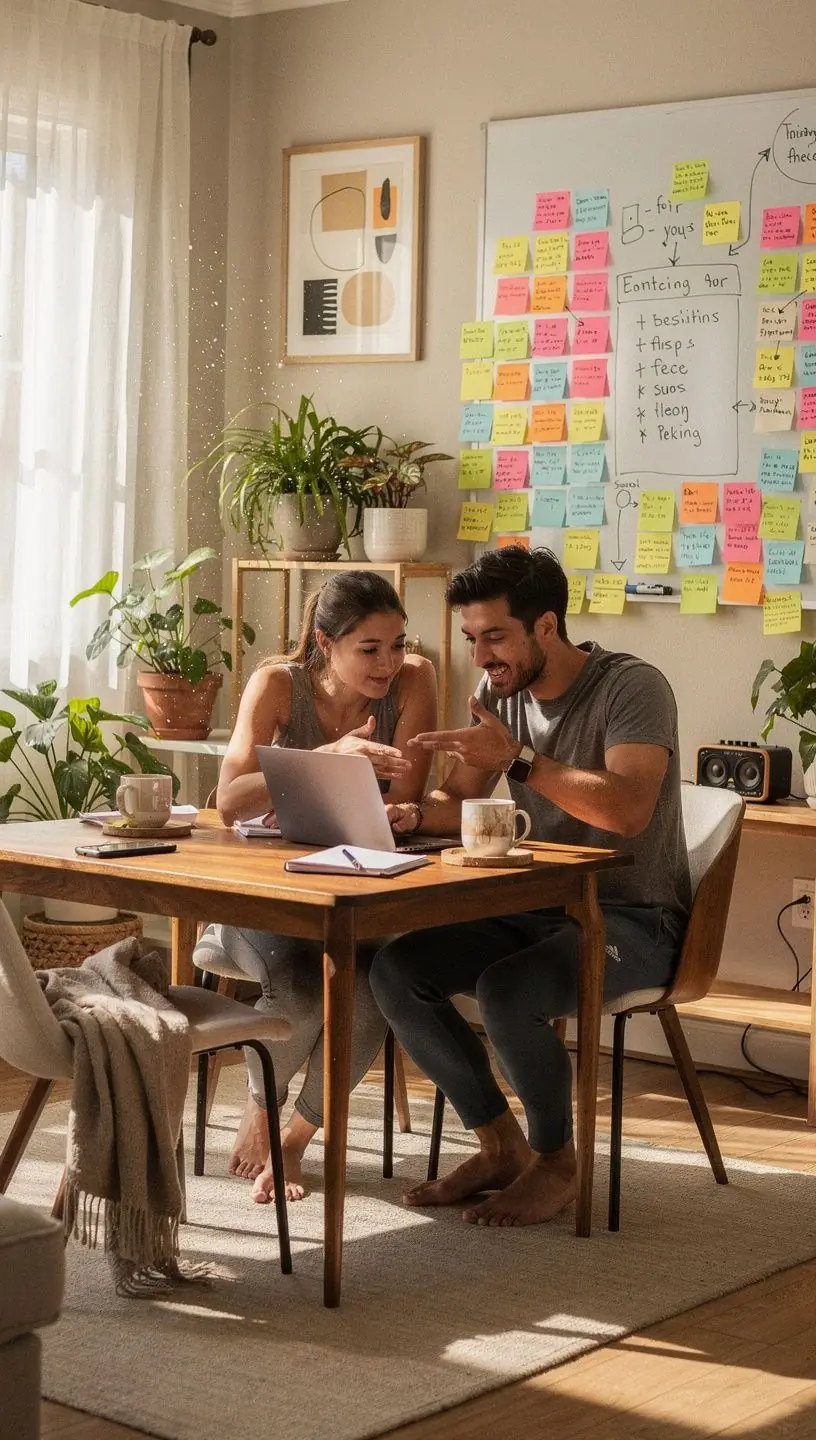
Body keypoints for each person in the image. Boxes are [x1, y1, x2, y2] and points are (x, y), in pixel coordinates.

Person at [370, 545, 690, 1228]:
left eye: (495, 637)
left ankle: (558, 1163)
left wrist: (518, 758)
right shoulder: (499, 695)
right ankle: (500, 1145)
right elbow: (462, 802)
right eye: (471, 639)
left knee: (508, 992)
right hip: (529, 908)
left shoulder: (632, 687)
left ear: (546, 627)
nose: (482, 657)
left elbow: (629, 810)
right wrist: (410, 814)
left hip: (632, 920)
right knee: (397, 968)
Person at [196, 571, 437, 1205]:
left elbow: (403, 800)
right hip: (264, 893)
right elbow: (227, 802)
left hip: (361, 888)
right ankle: (260, 1106)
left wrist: (390, 808)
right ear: (324, 643)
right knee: (304, 986)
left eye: (397, 644)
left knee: (372, 984)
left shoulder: (415, 681)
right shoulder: (278, 684)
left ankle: (295, 1139)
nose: (390, 662)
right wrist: (328, 756)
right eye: (370, 649)